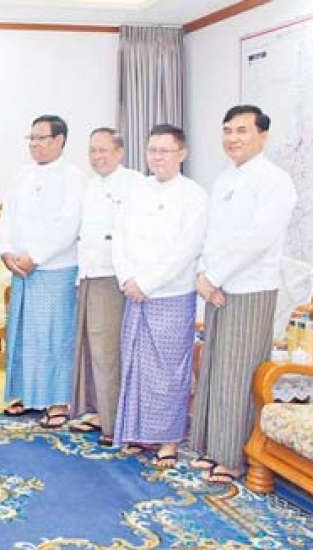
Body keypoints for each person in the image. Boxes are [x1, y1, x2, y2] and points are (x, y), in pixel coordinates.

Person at [190, 105, 296, 484]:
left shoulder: (275, 180)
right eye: (227, 131)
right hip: (218, 286)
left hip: (250, 286)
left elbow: (258, 239)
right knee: (217, 368)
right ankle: (212, 447)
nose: (232, 138)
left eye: (241, 130)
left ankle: (233, 457)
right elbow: (212, 234)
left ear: (262, 136)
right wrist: (205, 275)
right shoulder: (225, 179)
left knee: (238, 372)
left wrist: (215, 275)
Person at [111, 124, 207, 468]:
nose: (157, 157)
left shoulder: (194, 195)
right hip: (134, 292)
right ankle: (137, 432)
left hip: (171, 294)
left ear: (182, 154)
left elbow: (186, 249)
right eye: (152, 150)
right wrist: (126, 277)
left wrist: (147, 283)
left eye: (164, 151)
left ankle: (168, 439)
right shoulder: (136, 189)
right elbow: (119, 237)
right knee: (135, 365)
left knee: (168, 371)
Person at [0, 115, 84, 428]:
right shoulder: (21, 175)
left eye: (41, 138)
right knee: (24, 335)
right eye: (31, 138)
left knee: (55, 337)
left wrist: (35, 256)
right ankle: (28, 395)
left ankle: (58, 401)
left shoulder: (73, 177)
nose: (34, 144)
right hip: (21, 269)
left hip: (54, 269)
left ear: (59, 140)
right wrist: (6, 251)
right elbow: (7, 217)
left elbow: (69, 224)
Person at [69, 128, 144, 446]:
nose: (97, 156)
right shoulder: (90, 186)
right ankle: (98, 412)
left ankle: (115, 422)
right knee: (90, 349)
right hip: (88, 275)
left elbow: (134, 235)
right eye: (93, 151)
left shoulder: (135, 184)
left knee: (108, 351)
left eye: (103, 150)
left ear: (119, 152)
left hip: (113, 278)